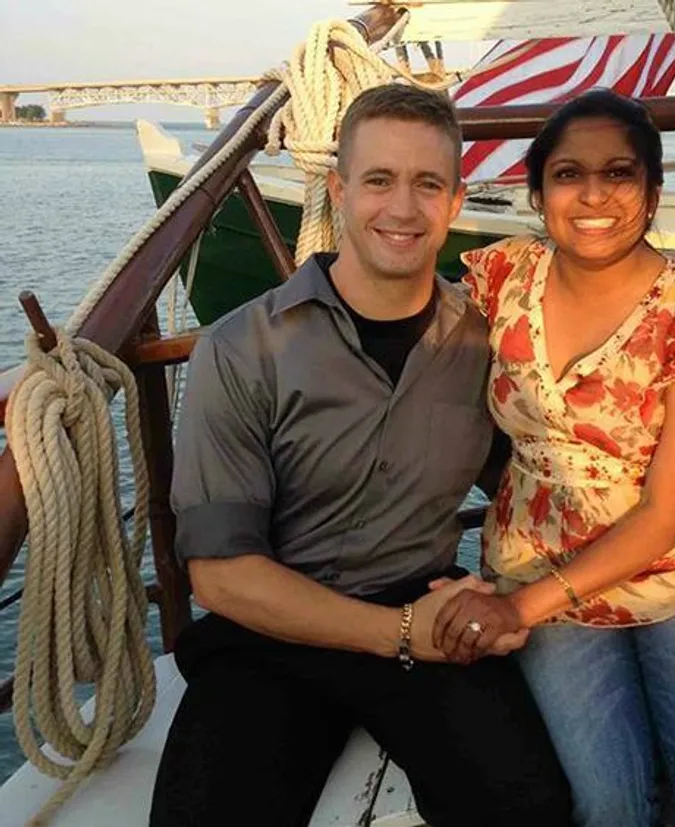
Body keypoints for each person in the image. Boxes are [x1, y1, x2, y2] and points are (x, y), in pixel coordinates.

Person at [148, 84, 572, 827]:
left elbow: (537, 477)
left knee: (527, 809)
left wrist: (512, 600)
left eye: (427, 184)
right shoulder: (243, 347)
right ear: (339, 190)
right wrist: (403, 633)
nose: (402, 208)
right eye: (379, 180)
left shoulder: (486, 343)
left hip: (425, 599)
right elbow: (221, 574)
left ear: (455, 200)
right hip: (271, 630)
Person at [430, 89, 675, 827]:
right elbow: (415, 349)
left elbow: (666, 514)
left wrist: (514, 609)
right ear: (538, 193)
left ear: (652, 191)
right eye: (569, 174)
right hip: (535, 554)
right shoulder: (501, 279)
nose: (594, 195)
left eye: (619, 173)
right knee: (608, 803)